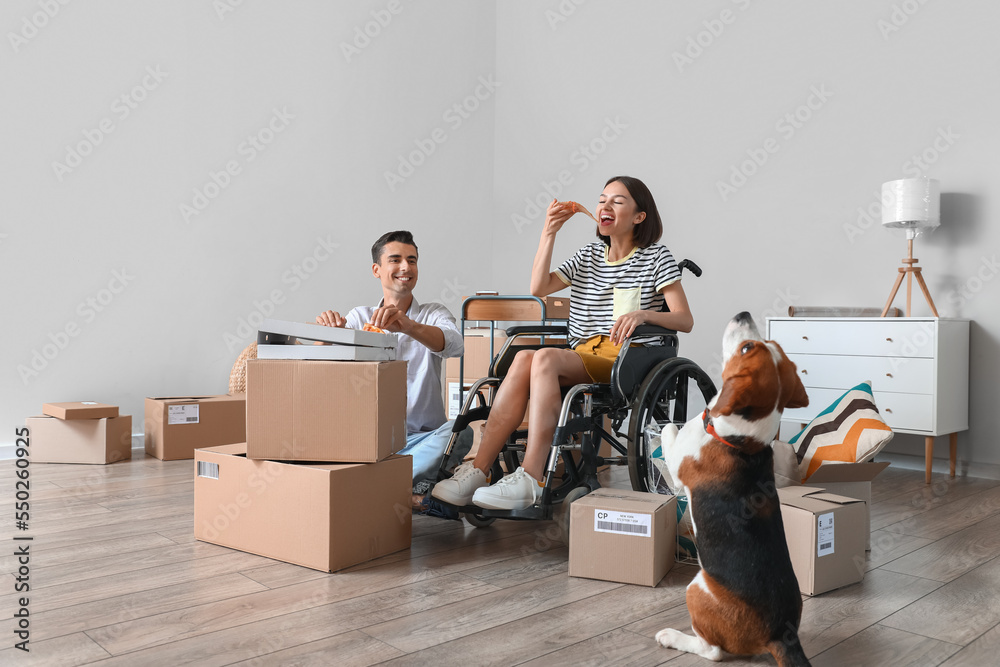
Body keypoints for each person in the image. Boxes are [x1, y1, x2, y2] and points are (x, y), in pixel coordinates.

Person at [432, 176, 694, 511]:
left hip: (627, 359)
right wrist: (549, 232)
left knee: (541, 359)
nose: (605, 206)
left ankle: (531, 475)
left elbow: (684, 320)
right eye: (602, 200)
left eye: (617, 200)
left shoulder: (656, 257)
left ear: (639, 216)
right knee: (525, 357)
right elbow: (539, 287)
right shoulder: (588, 255)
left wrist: (644, 315)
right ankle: (480, 469)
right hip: (583, 354)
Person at [316, 230, 472, 504]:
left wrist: (408, 326)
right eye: (396, 259)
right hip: (371, 440)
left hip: (422, 439)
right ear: (377, 270)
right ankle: (405, 492)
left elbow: (455, 346)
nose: (405, 267)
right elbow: (323, 370)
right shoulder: (360, 316)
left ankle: (370, 484)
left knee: (462, 432)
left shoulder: (432, 314)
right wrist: (329, 336)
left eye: (412, 261)